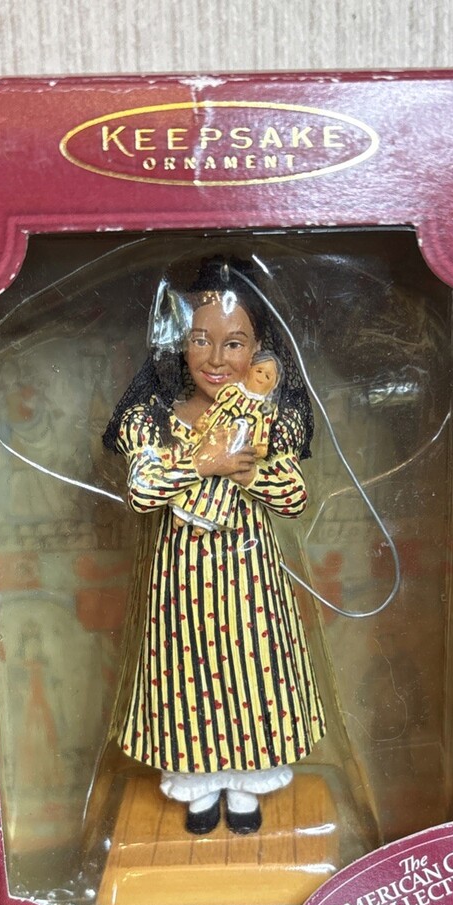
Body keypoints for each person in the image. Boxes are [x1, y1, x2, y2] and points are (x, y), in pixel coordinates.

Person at [103, 259, 325, 835]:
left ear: (258, 350)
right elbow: (142, 491)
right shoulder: (153, 419)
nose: (217, 359)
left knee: (251, 672)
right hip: (180, 581)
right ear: (180, 343)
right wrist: (203, 462)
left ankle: (246, 788)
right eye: (201, 339)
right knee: (187, 675)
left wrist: (247, 471)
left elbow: (295, 497)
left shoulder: (268, 418)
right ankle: (198, 788)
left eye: (234, 343)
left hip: (250, 580)